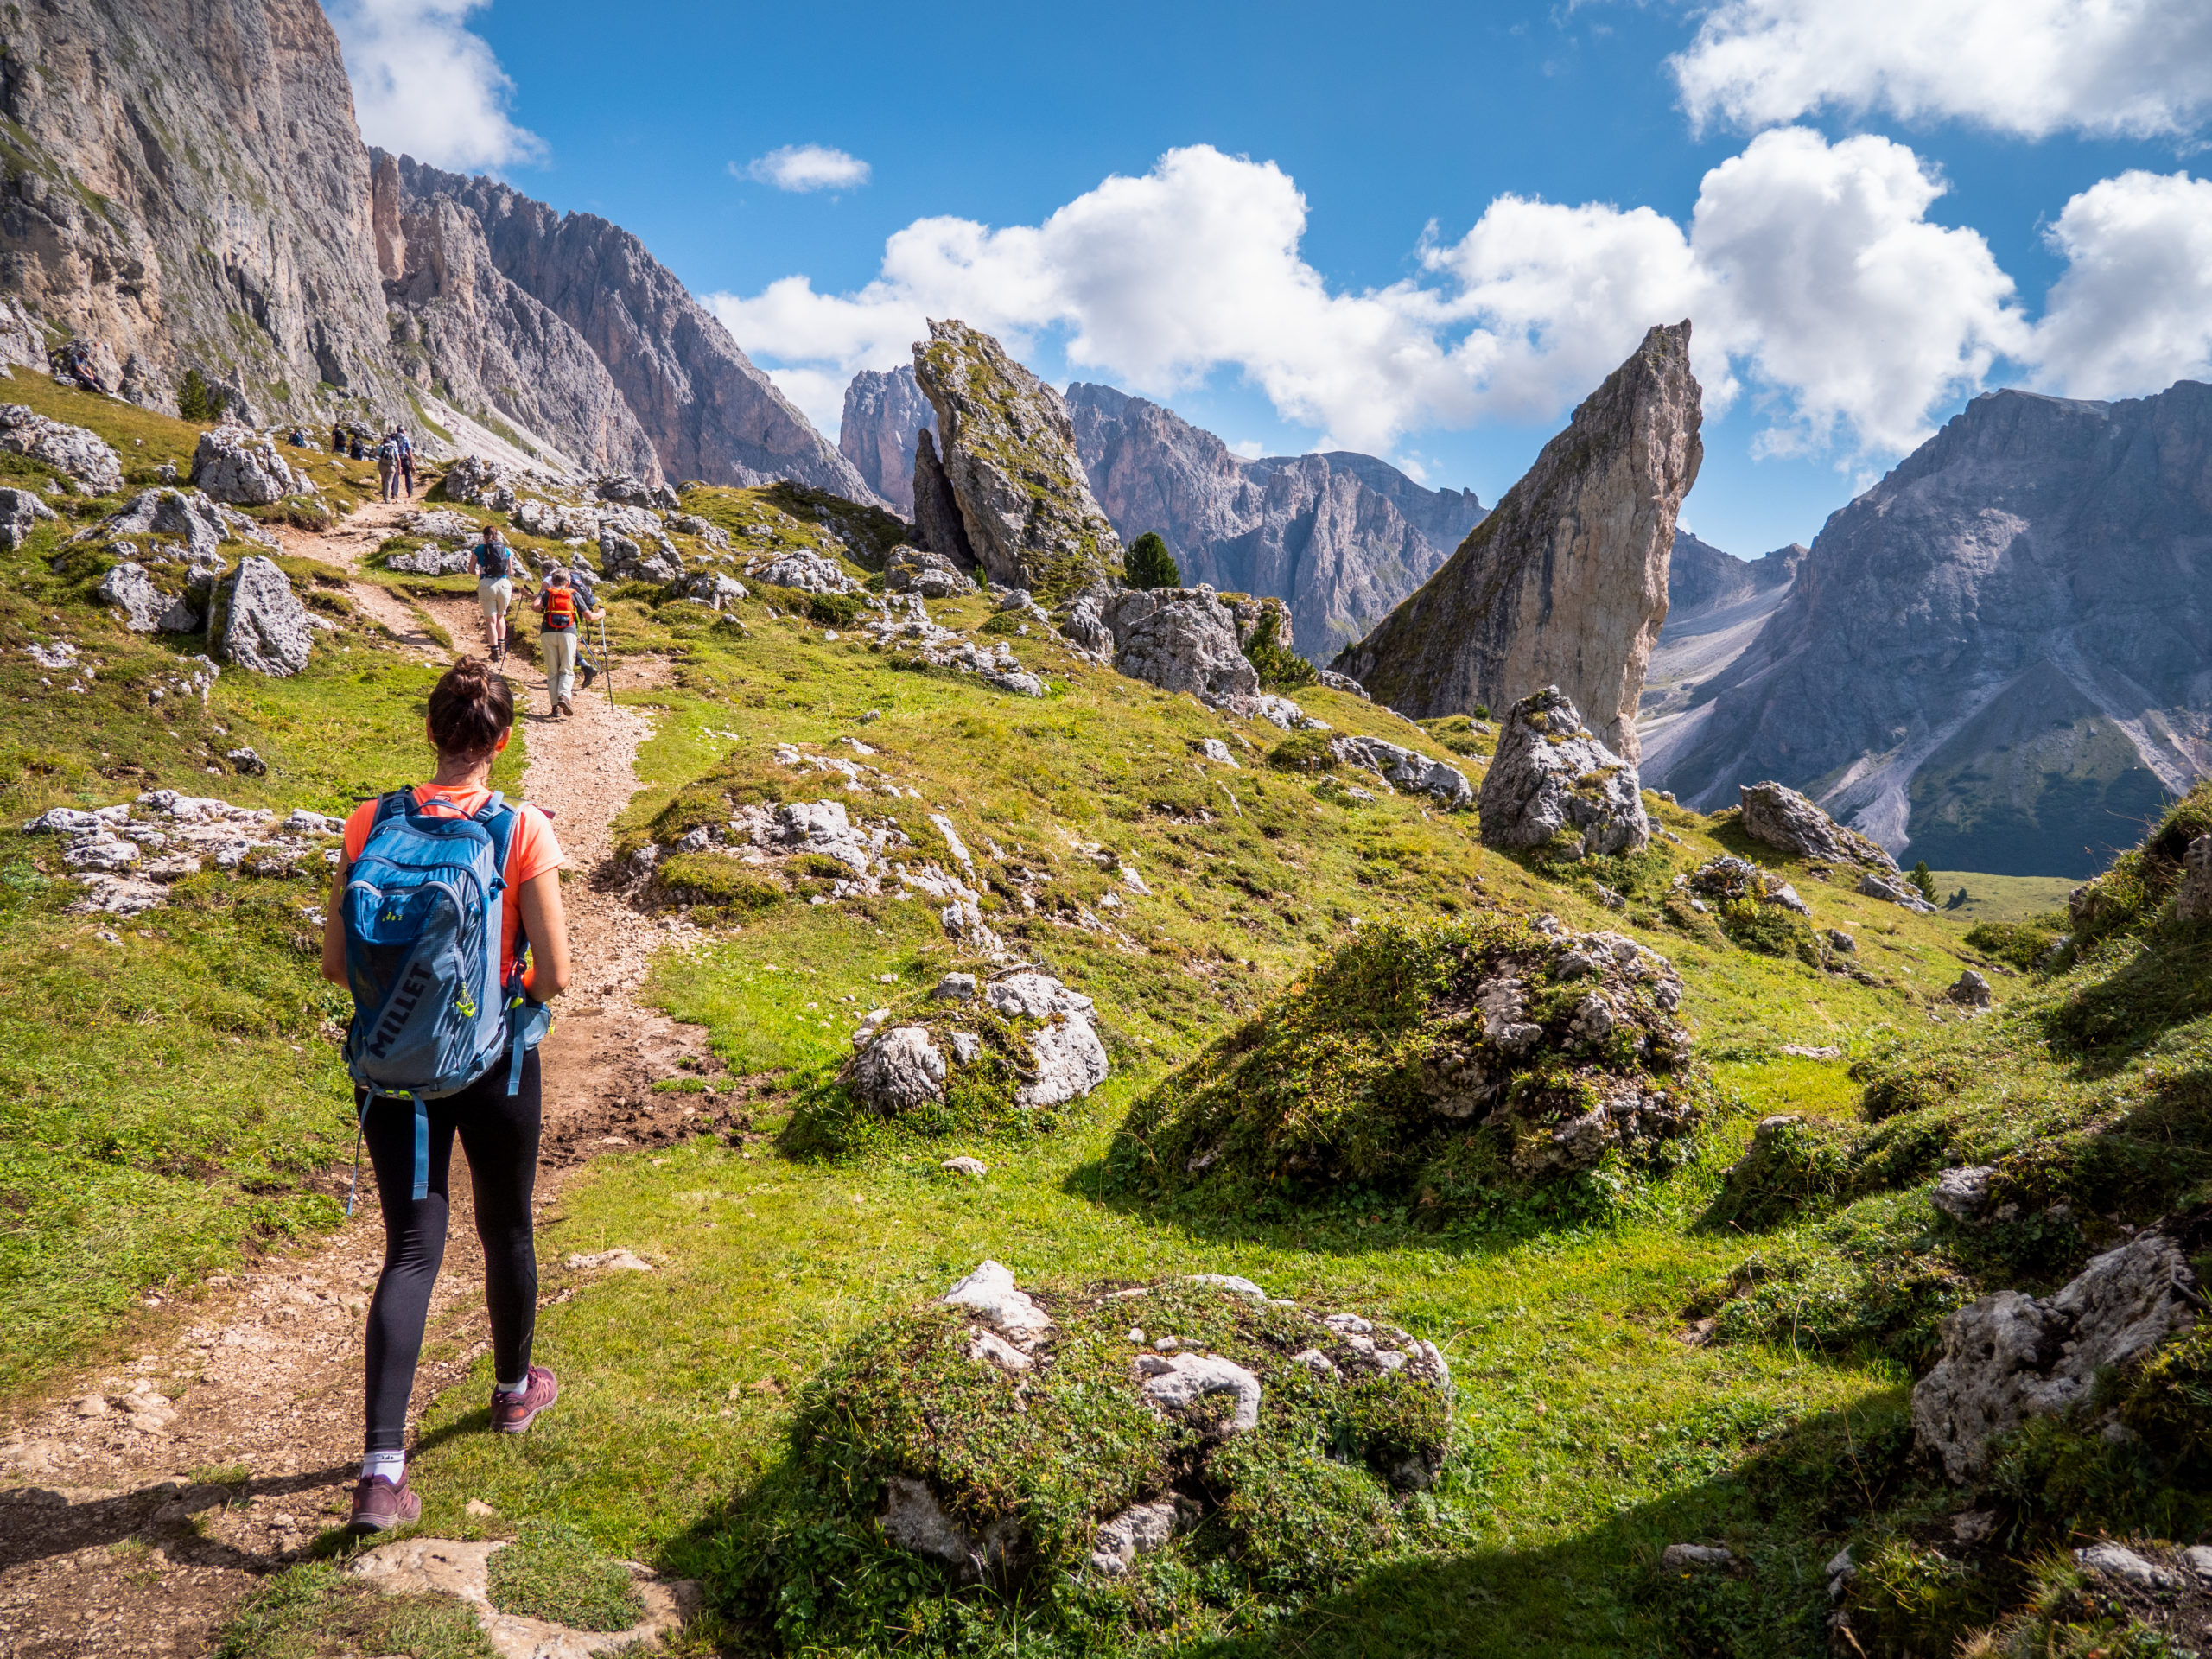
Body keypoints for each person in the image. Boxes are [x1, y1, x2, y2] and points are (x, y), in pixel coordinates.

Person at [320, 658, 569, 1535]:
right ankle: (511, 1393)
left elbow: (334, 964)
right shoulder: (520, 829)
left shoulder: (369, 822)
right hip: (496, 1061)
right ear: (503, 740)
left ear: (431, 732)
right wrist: (501, 1001)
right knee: (506, 1225)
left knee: (412, 1251)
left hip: (393, 1073)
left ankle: (381, 1475)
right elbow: (557, 973)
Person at [534, 569, 601, 717]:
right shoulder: (573, 594)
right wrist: (601, 614)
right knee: (567, 669)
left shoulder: (547, 593)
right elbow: (589, 616)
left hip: (547, 632)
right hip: (568, 633)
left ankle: (555, 708)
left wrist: (545, 610)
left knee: (553, 671)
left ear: (553, 581)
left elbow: (535, 606)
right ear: (568, 582)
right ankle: (564, 696)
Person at [473, 526, 518, 663]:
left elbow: (470, 569)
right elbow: (511, 571)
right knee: (501, 617)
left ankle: (494, 652)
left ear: (484, 535)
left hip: (487, 585)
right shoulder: (505, 549)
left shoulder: (479, 549)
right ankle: (501, 646)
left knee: (490, 621)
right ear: (497, 535)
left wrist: (480, 573)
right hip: (504, 584)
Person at [375, 433, 401, 501]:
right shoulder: (393, 447)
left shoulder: (382, 446)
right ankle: (387, 497)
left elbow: (375, 453)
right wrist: (399, 468)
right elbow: (398, 459)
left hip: (382, 465)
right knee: (389, 481)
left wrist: (380, 445)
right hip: (391, 467)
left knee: (383, 480)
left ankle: (384, 494)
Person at [397, 428, 416, 499]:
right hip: (404, 458)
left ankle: (394, 493)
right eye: (404, 430)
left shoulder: (394, 438)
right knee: (407, 475)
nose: (405, 431)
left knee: (395, 475)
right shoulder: (405, 439)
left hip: (396, 458)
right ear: (402, 430)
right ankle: (410, 492)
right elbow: (409, 452)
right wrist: (412, 464)